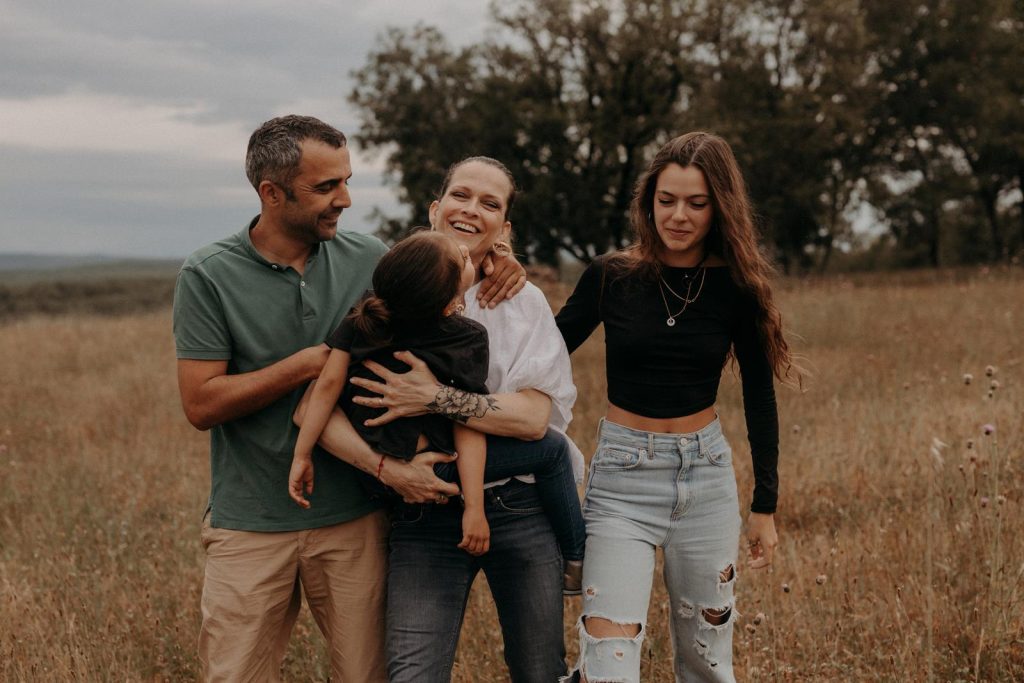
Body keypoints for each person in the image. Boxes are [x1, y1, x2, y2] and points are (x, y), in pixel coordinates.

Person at [172, 116, 524, 682]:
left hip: (357, 522)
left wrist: (500, 258)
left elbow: (438, 269)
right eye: (327, 187)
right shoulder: (208, 274)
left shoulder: (369, 258)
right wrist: (310, 363)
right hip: (249, 523)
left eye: (347, 180)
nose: (346, 199)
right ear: (271, 192)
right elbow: (201, 405)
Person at [298, 156, 585, 682]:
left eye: (490, 203)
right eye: (461, 195)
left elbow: (532, 420)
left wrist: (434, 398)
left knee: (540, 669)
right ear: (434, 209)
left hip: (519, 508)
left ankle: (575, 555)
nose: (472, 210)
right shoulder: (388, 299)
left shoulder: (525, 303)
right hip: (421, 511)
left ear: (505, 229)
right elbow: (319, 405)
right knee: (412, 674)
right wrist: (386, 469)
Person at [555, 132, 796, 682]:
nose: (679, 216)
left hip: (706, 480)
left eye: (697, 202)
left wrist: (766, 504)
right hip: (621, 480)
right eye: (667, 201)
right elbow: (541, 356)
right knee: (607, 667)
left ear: (720, 207)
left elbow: (759, 394)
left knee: (708, 663)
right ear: (648, 202)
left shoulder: (737, 286)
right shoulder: (609, 276)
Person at [289, 229, 587, 570]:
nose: (464, 249)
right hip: (437, 465)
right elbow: (467, 421)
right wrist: (474, 508)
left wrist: (302, 454)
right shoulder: (465, 336)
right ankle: (576, 556)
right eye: (461, 258)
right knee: (553, 449)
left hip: (373, 478)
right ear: (450, 305)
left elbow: (326, 384)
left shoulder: (366, 313)